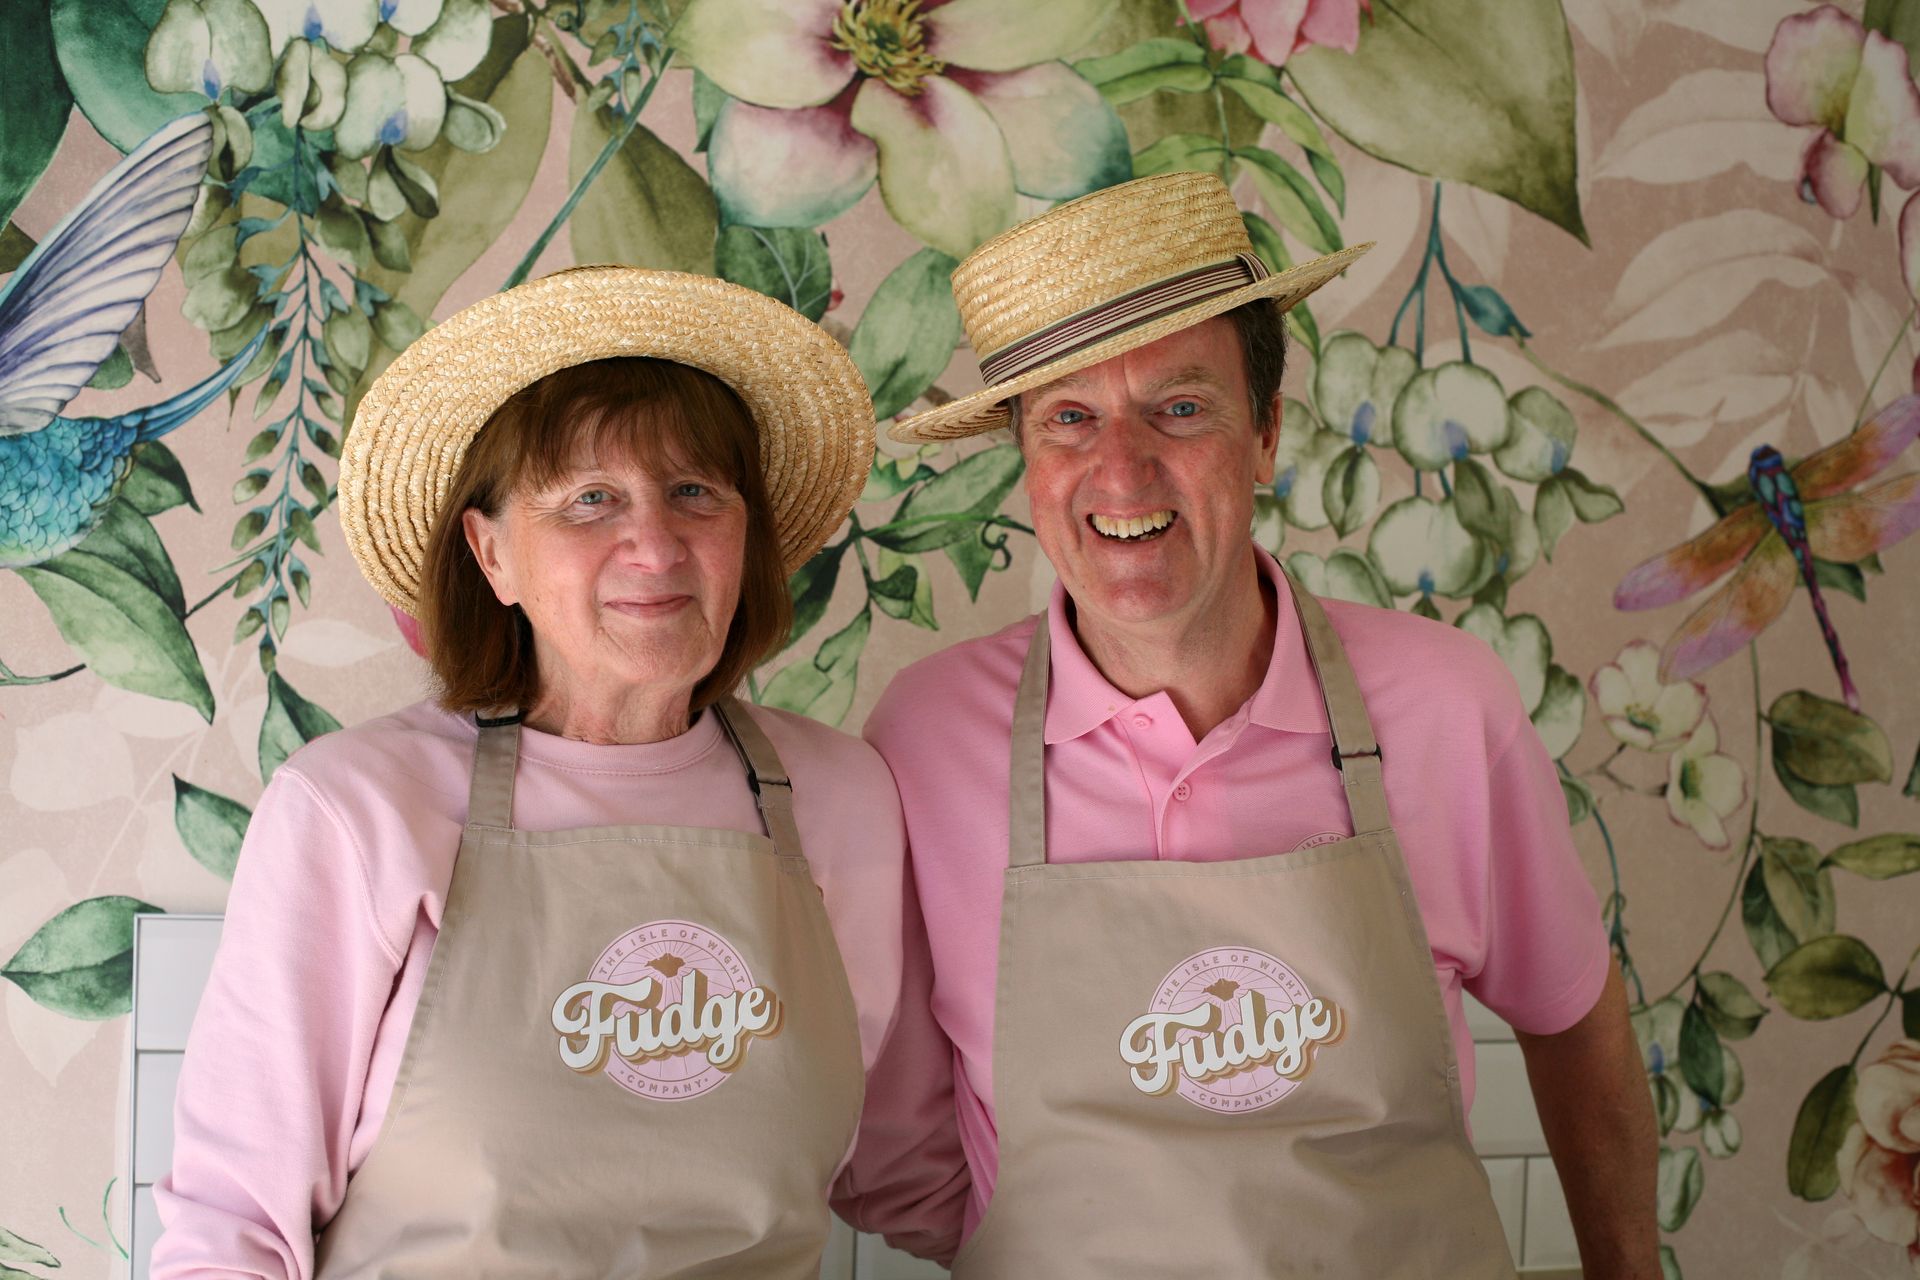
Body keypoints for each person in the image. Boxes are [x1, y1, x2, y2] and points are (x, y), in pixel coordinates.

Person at [862, 173, 1660, 1277]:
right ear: (1027, 462)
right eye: (1069, 418)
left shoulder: (1444, 704)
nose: (1122, 468)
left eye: (1180, 408)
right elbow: (897, 1127)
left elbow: (1577, 1023)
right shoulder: (924, 738)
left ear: (1267, 431)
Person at [151, 266, 965, 1277]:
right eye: (591, 498)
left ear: (742, 531)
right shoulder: (358, 809)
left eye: (694, 490)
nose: (655, 542)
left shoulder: (842, 797)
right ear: (492, 555)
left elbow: (911, 1167)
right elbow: (233, 1226)